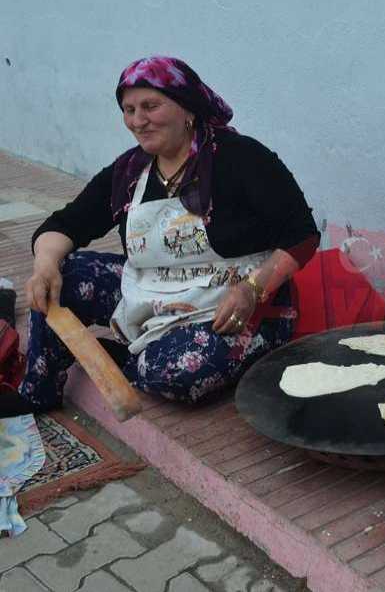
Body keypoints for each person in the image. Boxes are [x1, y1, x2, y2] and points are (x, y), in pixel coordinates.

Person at [0, 56, 319, 417]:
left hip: (237, 305)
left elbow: (302, 235)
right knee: (64, 274)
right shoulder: (129, 171)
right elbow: (66, 224)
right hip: (154, 294)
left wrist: (253, 289)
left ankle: (127, 356)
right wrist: (44, 266)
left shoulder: (241, 158)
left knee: (180, 371)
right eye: (129, 109)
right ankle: (37, 392)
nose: (138, 121)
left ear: (188, 108)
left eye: (150, 106)